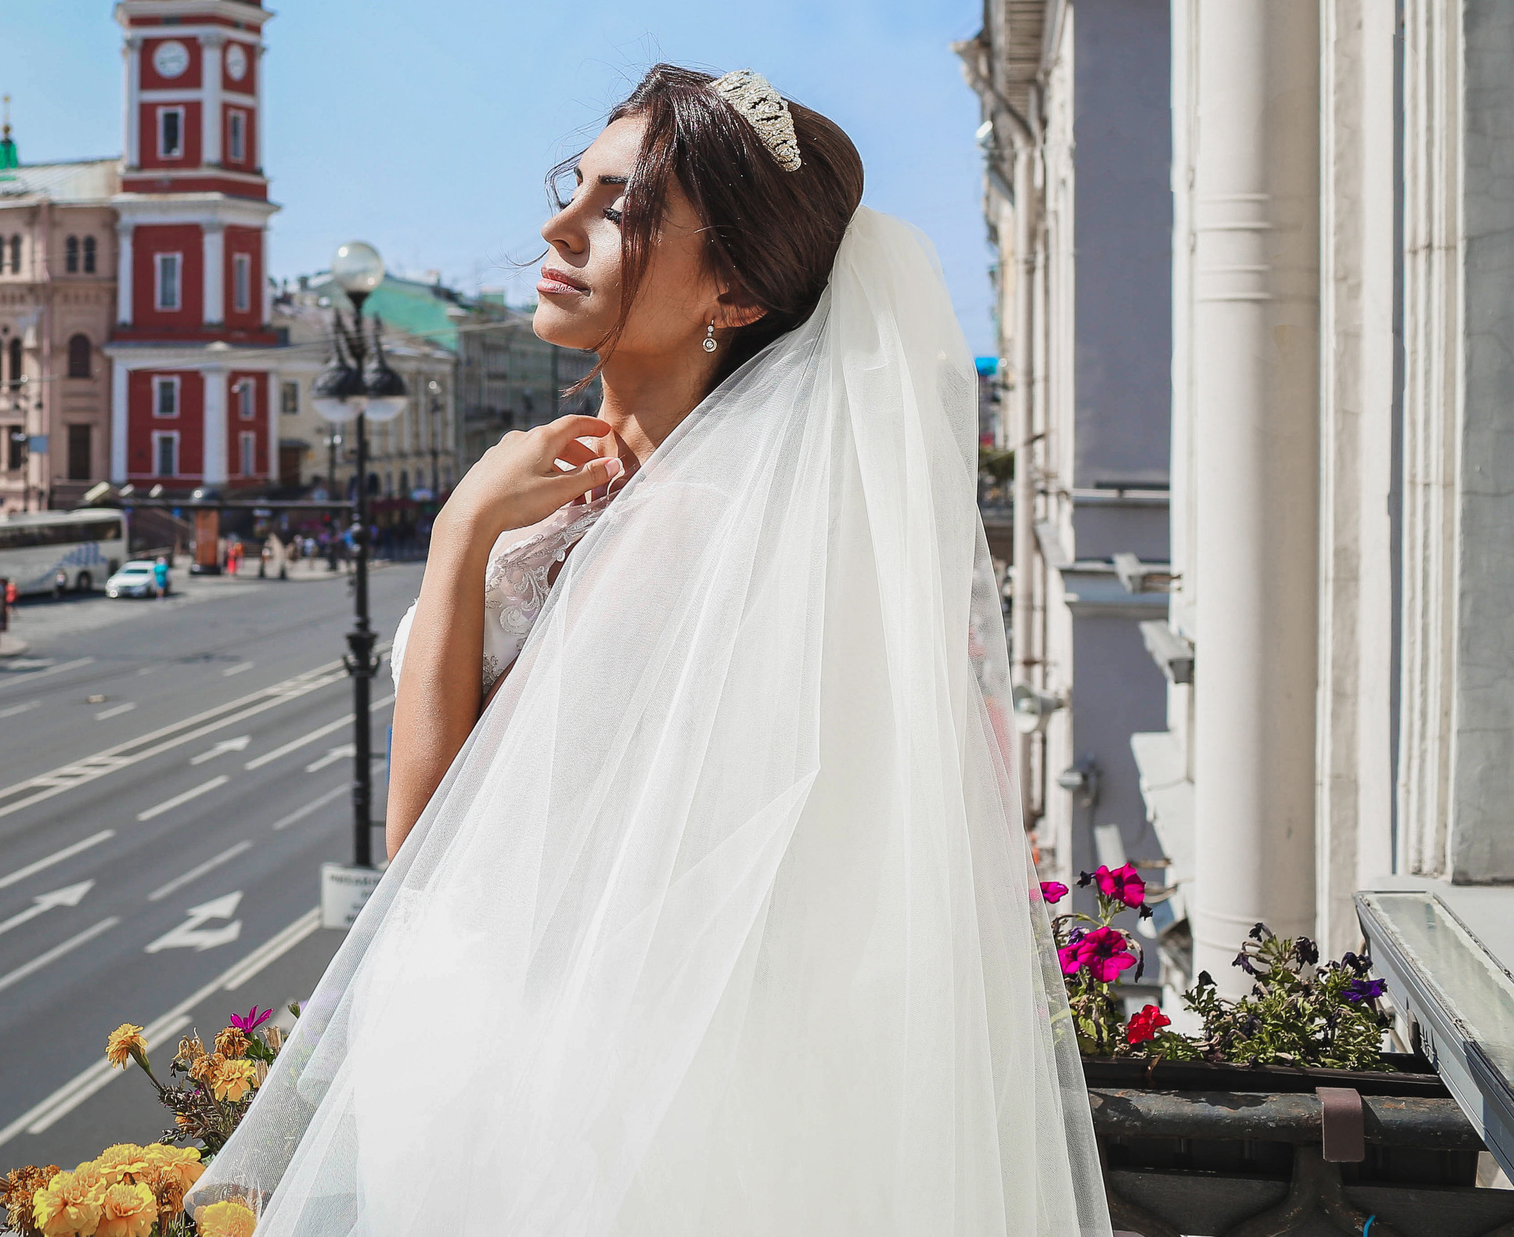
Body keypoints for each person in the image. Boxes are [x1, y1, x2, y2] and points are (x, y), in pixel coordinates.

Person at [191, 66, 1105, 1233]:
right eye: (574, 186)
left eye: (617, 210)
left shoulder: (685, 526)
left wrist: (461, 531)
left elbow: (430, 846)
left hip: (563, 1099)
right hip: (545, 1067)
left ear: (727, 291)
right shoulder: (620, 494)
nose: (555, 225)